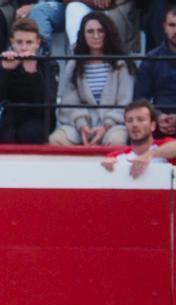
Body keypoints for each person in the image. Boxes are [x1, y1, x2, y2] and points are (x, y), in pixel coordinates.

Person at [51, 11, 133, 146]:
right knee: (56, 140)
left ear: (108, 33)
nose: (96, 36)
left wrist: (105, 126)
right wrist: (82, 126)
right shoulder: (74, 64)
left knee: (117, 141)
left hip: (113, 124)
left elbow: (125, 103)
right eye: (90, 31)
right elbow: (68, 103)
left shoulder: (122, 64)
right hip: (80, 124)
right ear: (83, 35)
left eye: (100, 31)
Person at [0, 17, 55, 143]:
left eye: (29, 42)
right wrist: (4, 71)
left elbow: (49, 103)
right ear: (12, 42)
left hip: (40, 119)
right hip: (11, 119)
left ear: (38, 43)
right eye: (19, 42)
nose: (24, 48)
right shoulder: (4, 62)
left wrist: (33, 74)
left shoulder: (49, 64)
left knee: (27, 134)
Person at [101, 100, 176, 178]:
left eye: (140, 119)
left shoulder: (164, 146)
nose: (134, 124)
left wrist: (150, 155)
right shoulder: (115, 156)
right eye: (130, 120)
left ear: (153, 125)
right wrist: (106, 166)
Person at [135, 6, 176, 138]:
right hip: (158, 124)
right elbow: (139, 99)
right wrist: (158, 116)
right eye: (172, 25)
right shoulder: (151, 58)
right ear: (164, 27)